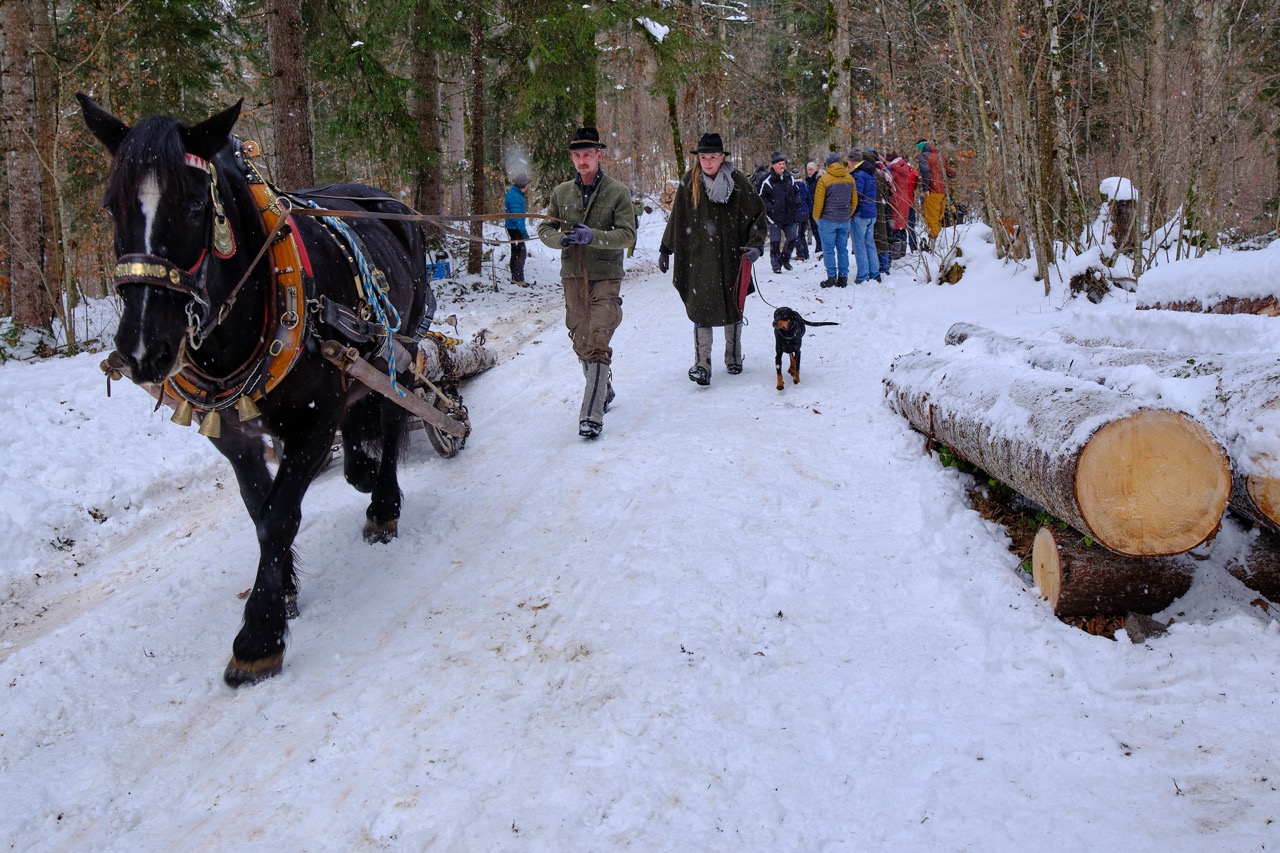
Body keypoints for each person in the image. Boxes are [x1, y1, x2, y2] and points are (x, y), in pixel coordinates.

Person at [535, 127, 637, 439]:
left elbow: (627, 235)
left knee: (597, 337)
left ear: (598, 156)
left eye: (587, 154)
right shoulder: (561, 193)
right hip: (573, 275)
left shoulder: (617, 191)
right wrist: (559, 239)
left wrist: (593, 236)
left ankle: (591, 415)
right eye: (577, 155)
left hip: (605, 275)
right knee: (579, 338)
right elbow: (544, 228)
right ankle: (602, 389)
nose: (582, 160)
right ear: (572, 158)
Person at [659, 132, 767, 386]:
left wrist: (755, 246)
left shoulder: (738, 182)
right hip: (700, 258)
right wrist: (666, 248)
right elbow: (677, 219)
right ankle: (702, 364)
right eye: (704, 157)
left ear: (722, 157)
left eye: (713, 157)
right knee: (700, 306)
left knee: (733, 306)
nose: (708, 162)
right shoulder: (690, 182)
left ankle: (733, 357)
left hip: (732, 256)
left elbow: (757, 214)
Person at [810, 151, 854, 288]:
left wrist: (816, 218)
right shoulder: (850, 178)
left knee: (828, 249)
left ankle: (831, 277)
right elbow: (854, 200)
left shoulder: (824, 180)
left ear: (827, 164)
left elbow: (818, 203)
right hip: (844, 220)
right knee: (842, 249)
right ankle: (843, 277)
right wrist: (848, 214)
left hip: (828, 220)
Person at [759, 151, 801, 273]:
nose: (782, 166)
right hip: (774, 216)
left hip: (789, 214)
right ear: (773, 165)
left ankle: (785, 259)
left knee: (792, 238)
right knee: (775, 242)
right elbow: (760, 197)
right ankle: (775, 264)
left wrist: (797, 201)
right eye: (779, 164)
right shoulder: (766, 180)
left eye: (783, 163)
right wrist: (770, 208)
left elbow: (796, 191)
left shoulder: (790, 178)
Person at [916, 139, 956, 246]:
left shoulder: (924, 157)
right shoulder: (940, 156)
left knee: (932, 217)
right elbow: (951, 173)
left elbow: (925, 172)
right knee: (939, 217)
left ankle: (932, 244)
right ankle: (938, 244)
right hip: (943, 191)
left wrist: (925, 189)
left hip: (933, 190)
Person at [850, 149, 880, 283]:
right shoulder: (871, 172)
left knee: (859, 245)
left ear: (851, 161)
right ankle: (875, 272)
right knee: (870, 243)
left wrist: (851, 211)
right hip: (871, 212)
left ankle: (863, 275)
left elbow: (857, 195)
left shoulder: (859, 175)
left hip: (861, 214)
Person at [887, 152, 919, 256]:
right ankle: (904, 250)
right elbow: (914, 185)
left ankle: (896, 252)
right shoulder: (908, 170)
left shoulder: (894, 170)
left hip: (897, 200)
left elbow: (889, 183)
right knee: (904, 226)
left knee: (896, 226)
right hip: (907, 200)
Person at [504, 173, 531, 286]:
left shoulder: (516, 194)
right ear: (522, 185)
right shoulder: (515, 196)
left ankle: (516, 278)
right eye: (526, 185)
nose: (528, 187)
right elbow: (516, 216)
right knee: (520, 253)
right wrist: (523, 231)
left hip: (514, 227)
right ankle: (518, 279)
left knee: (516, 252)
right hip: (515, 228)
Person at [870, 150, 894, 275]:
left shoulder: (877, 173)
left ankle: (883, 265)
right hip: (884, 206)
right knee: (883, 236)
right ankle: (885, 263)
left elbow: (888, 190)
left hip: (880, 207)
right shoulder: (884, 171)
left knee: (878, 237)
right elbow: (889, 190)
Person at [793, 171, 812, 261]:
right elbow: (809, 200)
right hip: (805, 213)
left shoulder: (792, 188)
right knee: (802, 234)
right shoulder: (804, 186)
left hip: (797, 213)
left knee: (796, 234)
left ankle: (800, 253)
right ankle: (806, 253)